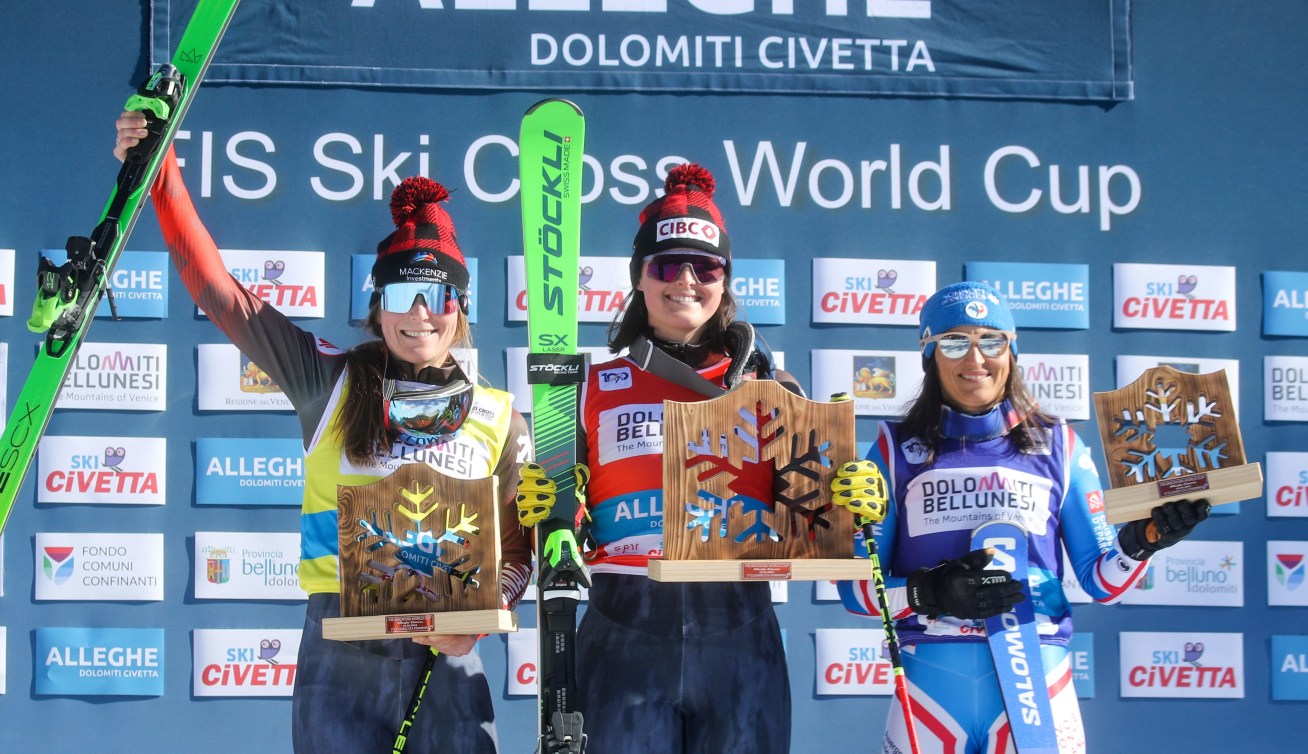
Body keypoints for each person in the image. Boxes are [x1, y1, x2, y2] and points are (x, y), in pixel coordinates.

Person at [115, 113, 532, 753]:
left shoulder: (500, 416)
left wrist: (479, 623)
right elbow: (222, 294)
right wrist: (160, 172)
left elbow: (523, 544)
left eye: (439, 295)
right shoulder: (329, 381)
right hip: (341, 660)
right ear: (377, 305)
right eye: (402, 294)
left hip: (447, 662)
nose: (420, 314)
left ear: (461, 308)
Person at [834, 281, 1210, 754]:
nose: (975, 359)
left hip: (1036, 677)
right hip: (931, 683)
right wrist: (927, 591)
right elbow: (856, 591)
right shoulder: (893, 448)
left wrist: (1144, 540)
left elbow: (1102, 581)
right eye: (954, 342)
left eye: (991, 340)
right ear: (930, 354)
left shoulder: (1059, 444)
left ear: (1012, 351)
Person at [519, 163, 801, 753]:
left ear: (725, 280)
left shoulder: (771, 387)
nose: (687, 281)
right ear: (640, 279)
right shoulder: (588, 387)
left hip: (740, 637)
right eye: (668, 265)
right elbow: (563, 521)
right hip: (625, 633)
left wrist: (847, 498)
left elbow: (809, 519)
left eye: (707, 266)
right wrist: (554, 517)